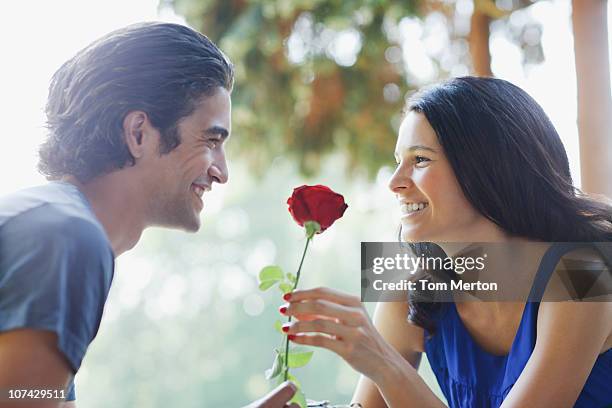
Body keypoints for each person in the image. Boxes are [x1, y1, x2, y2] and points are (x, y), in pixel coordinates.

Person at [0, 22, 298, 408]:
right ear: (139, 133)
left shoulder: (53, 226)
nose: (222, 172)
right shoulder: (68, 239)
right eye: (211, 140)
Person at [279, 77, 612, 407]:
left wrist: (383, 362)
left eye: (420, 159)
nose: (395, 183)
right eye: (398, 162)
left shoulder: (583, 274)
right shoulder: (409, 293)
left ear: (488, 168)